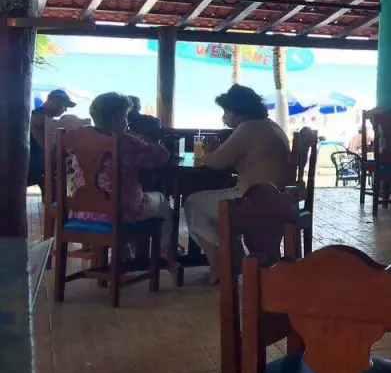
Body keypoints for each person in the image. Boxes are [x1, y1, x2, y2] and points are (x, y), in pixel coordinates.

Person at [184, 85, 291, 284]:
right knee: (208, 208)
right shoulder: (269, 125)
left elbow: (217, 162)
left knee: (193, 204)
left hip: (257, 199)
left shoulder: (247, 128)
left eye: (226, 111)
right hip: (280, 196)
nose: (224, 116)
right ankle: (233, 262)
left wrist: (203, 155)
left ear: (238, 111)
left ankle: (221, 268)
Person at [68, 93, 173, 251]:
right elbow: (162, 157)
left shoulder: (81, 139)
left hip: (83, 210)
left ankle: (125, 255)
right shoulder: (127, 142)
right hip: (120, 212)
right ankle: (167, 253)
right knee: (163, 202)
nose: (127, 122)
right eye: (125, 117)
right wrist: (133, 134)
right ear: (116, 120)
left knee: (129, 197)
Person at [28, 89, 77, 187]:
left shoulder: (45, 119)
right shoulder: (37, 117)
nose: (65, 109)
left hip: (38, 164)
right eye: (64, 104)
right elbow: (46, 148)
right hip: (31, 165)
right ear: (53, 100)